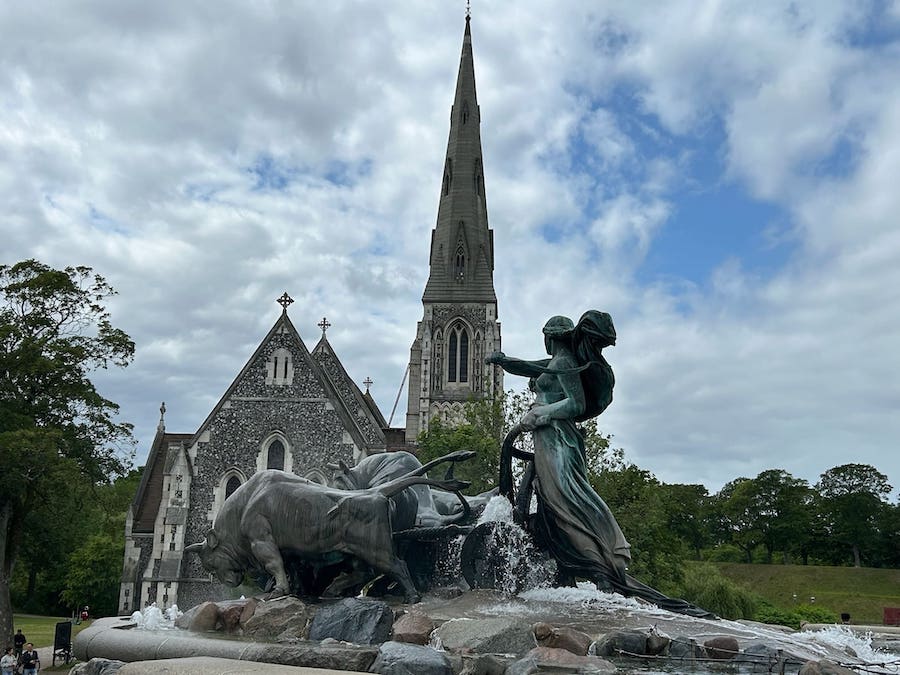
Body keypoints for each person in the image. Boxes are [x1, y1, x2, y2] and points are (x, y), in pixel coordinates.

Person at [487, 311, 715, 619]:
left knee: (568, 503)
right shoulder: (558, 362)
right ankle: (570, 567)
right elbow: (529, 367)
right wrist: (502, 361)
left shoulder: (565, 364)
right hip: (548, 440)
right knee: (554, 506)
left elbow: (576, 404)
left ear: (551, 337)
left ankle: (601, 566)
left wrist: (541, 414)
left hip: (558, 440)